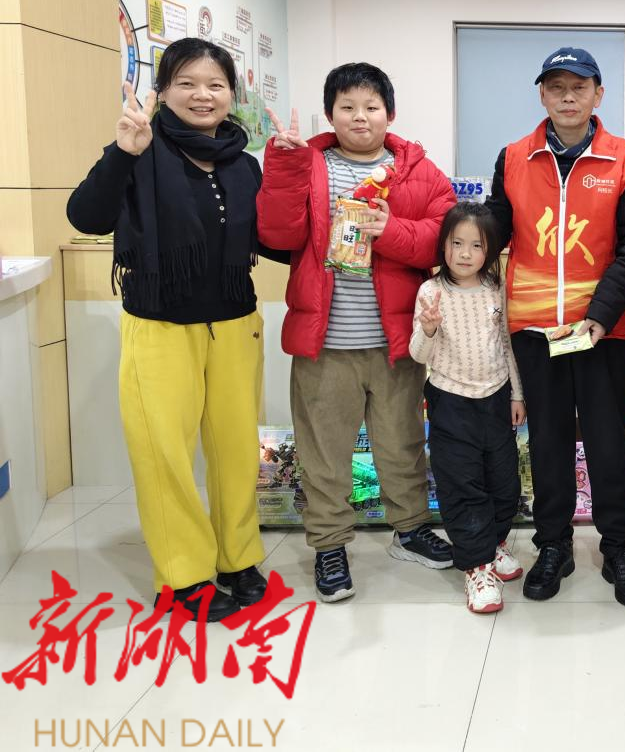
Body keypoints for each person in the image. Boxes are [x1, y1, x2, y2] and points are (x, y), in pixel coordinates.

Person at [67, 38, 285, 620]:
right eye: (187, 83)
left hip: (235, 324)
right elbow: (85, 216)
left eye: (215, 84)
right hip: (160, 325)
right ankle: (184, 574)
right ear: (163, 91)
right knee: (163, 455)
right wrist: (121, 153)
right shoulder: (140, 149)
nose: (202, 95)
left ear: (232, 94)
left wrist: (297, 184)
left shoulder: (244, 163)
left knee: (237, 453)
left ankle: (237, 558)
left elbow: (274, 243)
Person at [256, 62, 456, 603]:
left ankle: (409, 530)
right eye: (347, 107)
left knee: (403, 445)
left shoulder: (418, 171)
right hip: (324, 342)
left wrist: (390, 229)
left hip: (397, 343)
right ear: (330, 113)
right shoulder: (308, 164)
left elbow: (443, 239)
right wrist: (283, 164)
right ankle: (329, 545)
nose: (360, 117)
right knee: (324, 452)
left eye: (371, 106)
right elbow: (276, 232)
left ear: (390, 113)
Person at [484, 47, 625, 607]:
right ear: (542, 95)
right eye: (556, 87)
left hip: (603, 332)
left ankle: (620, 547)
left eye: (579, 87)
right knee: (548, 443)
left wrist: (600, 316)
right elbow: (492, 233)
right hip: (534, 332)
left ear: (598, 94)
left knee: (609, 444)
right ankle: (553, 544)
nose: (568, 97)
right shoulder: (514, 157)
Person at [410, 202, 526, 615]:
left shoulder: (497, 288)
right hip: (451, 401)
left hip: (495, 397)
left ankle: (494, 544)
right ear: (443, 245)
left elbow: (507, 344)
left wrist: (516, 394)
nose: (464, 253)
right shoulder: (431, 292)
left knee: (504, 482)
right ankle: (477, 568)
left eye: (476, 245)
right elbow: (417, 353)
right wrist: (428, 328)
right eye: (456, 243)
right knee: (462, 485)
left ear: (490, 250)